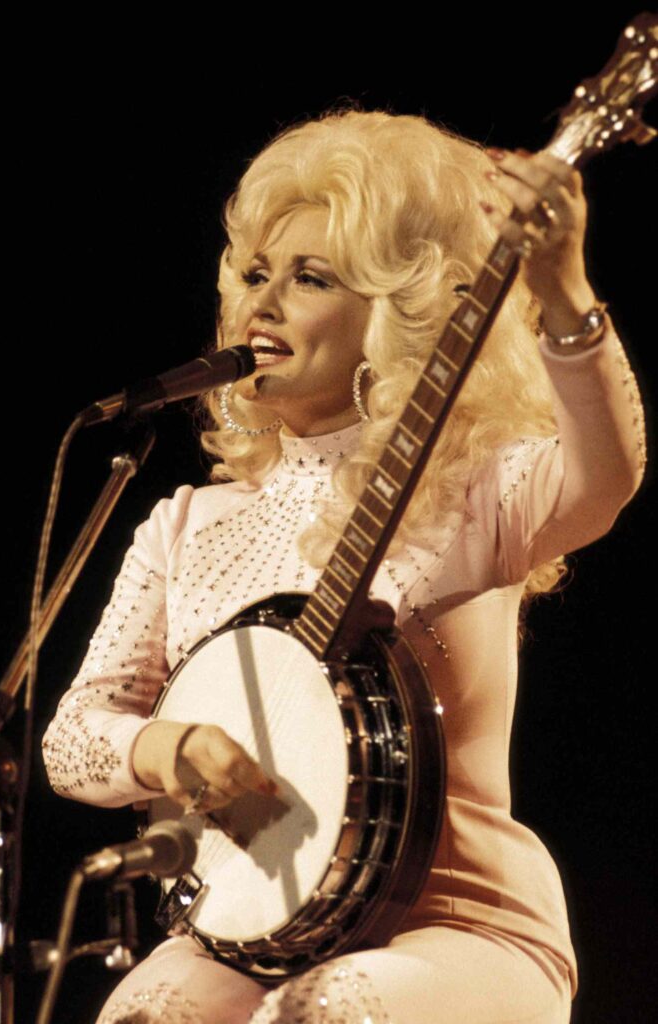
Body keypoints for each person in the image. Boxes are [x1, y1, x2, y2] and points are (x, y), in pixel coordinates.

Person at [42, 108, 646, 1024]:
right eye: (253, 274)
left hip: (455, 924)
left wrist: (565, 296)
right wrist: (164, 748)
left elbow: (605, 476)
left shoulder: (467, 484)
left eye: (310, 277)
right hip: (239, 933)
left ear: (394, 314)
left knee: (323, 1011)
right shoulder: (187, 523)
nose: (262, 303)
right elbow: (72, 735)